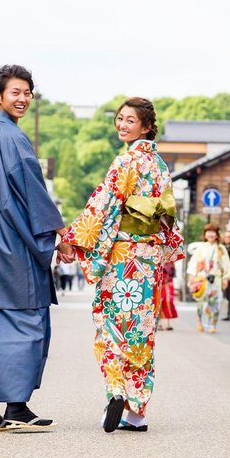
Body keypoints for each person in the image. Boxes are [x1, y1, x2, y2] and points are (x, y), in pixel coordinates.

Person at [0, 65, 74, 433]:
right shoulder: (12, 138)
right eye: (15, 92)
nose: (22, 99)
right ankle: (17, 406)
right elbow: (32, 191)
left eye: (27, 93)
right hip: (10, 245)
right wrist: (60, 231)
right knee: (29, 319)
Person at [58, 97, 184, 433]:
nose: (122, 125)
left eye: (130, 121)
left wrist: (71, 237)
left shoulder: (126, 161)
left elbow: (104, 205)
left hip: (122, 257)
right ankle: (137, 413)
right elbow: (168, 214)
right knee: (141, 330)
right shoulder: (160, 165)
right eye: (120, 119)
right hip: (149, 258)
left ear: (146, 127)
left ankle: (116, 391)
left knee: (111, 324)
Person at [187, 223, 230, 334]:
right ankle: (200, 321)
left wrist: (226, 277)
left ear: (217, 235)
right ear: (205, 234)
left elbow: (225, 263)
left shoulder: (221, 248)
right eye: (208, 232)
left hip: (216, 278)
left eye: (213, 232)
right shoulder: (201, 247)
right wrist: (192, 276)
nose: (211, 234)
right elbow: (194, 262)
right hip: (202, 278)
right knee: (201, 302)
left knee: (216, 302)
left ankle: (213, 324)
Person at [158, 262, 178, 330]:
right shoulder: (158, 261)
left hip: (168, 285)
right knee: (159, 303)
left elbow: (172, 275)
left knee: (168, 303)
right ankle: (159, 323)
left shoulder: (171, 264)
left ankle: (167, 323)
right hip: (160, 286)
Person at [221, 231, 230, 321]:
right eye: (226, 237)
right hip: (223, 274)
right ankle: (228, 313)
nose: (227, 238)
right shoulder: (223, 248)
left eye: (229, 237)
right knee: (226, 294)